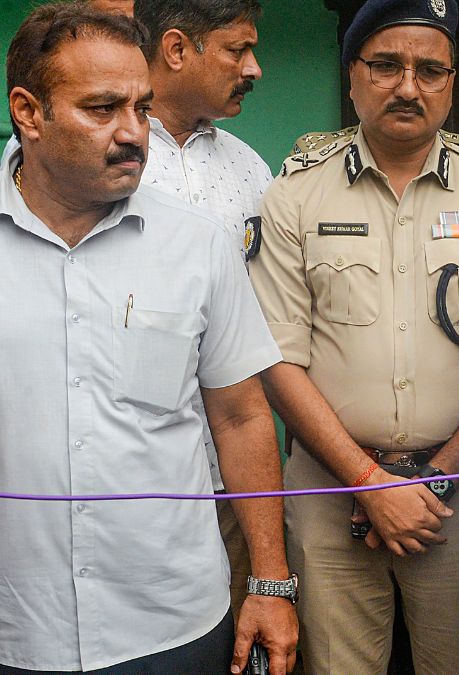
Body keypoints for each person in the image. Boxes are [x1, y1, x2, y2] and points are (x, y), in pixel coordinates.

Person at [246, 0, 459, 671]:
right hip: (329, 496)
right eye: (386, 65)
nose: (407, 86)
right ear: (352, 75)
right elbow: (278, 360)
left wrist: (432, 482)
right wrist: (369, 480)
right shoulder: (294, 195)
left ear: (451, 82)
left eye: (429, 70)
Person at [0, 4, 297, 674]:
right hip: (17, 627)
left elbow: (243, 414)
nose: (134, 133)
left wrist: (270, 583)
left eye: (140, 107)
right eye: (103, 109)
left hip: (174, 626)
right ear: (29, 112)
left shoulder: (198, 244)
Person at [135, 0, 274, 620]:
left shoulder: (250, 170)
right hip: (135, 484)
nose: (255, 68)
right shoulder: (111, 160)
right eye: (237, 49)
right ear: (176, 49)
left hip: (233, 480)